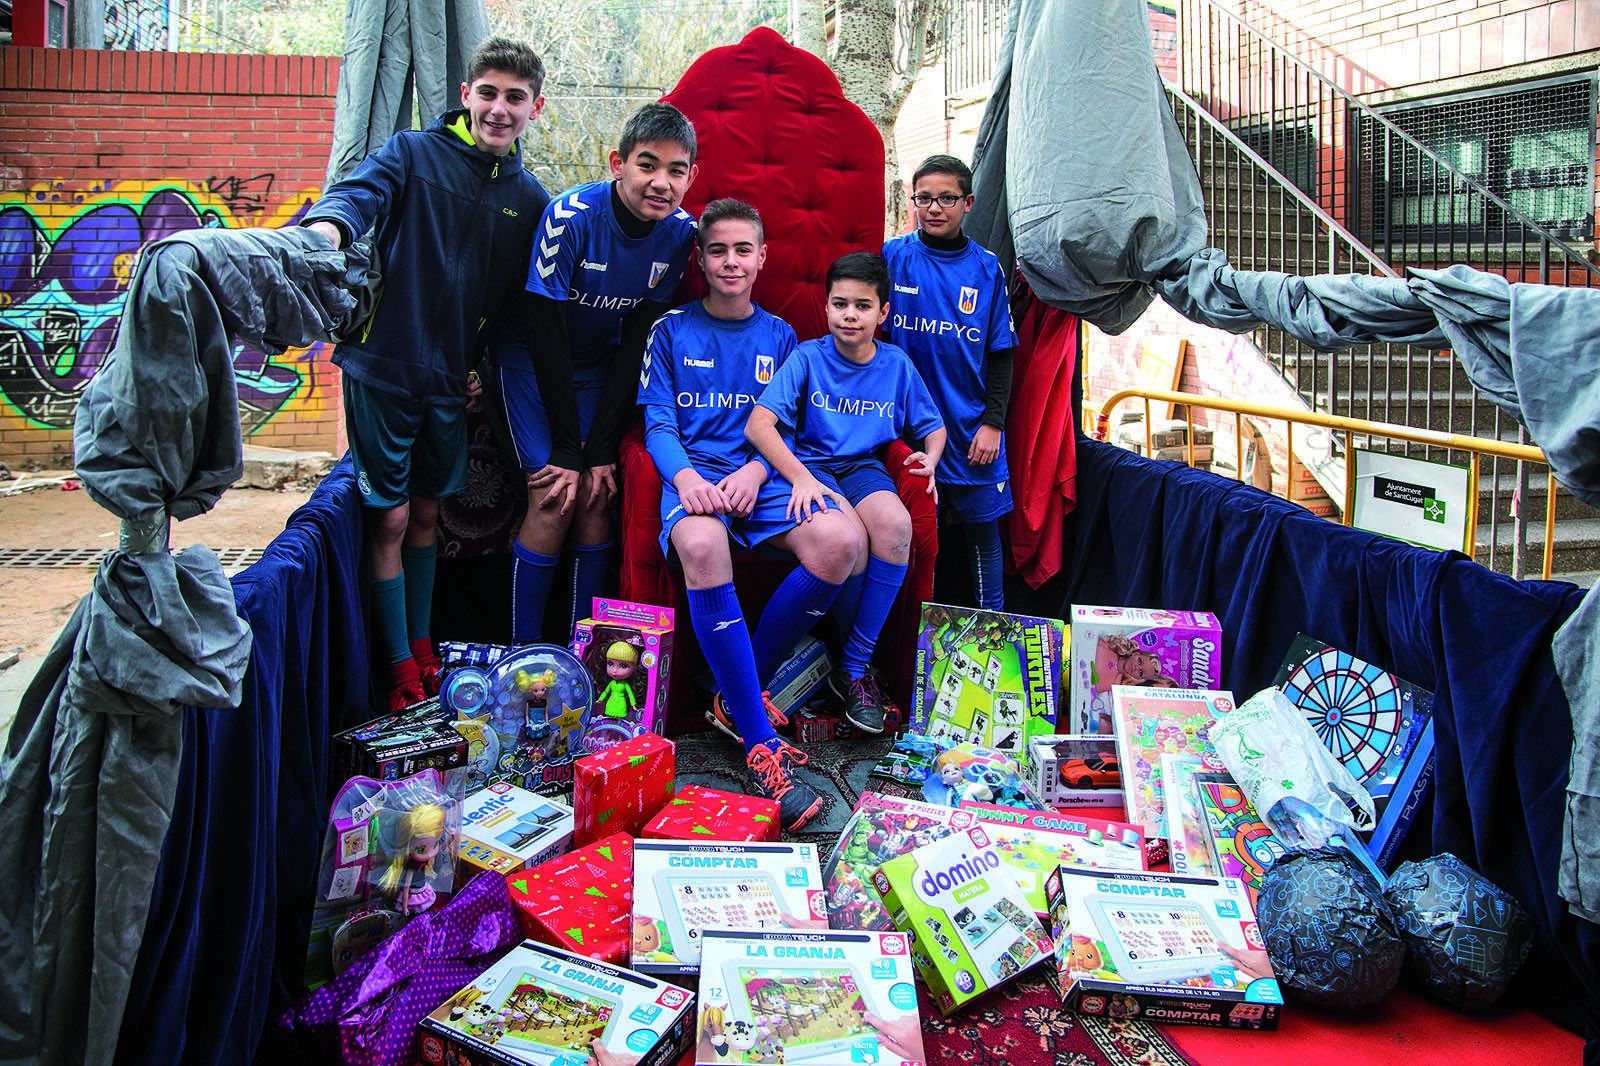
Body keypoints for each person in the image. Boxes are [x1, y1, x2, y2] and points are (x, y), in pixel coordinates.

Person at [303, 37, 550, 711]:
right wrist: (325, 230)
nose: (500, 109)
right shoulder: (411, 154)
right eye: (489, 93)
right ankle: (394, 666)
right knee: (387, 520)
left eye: (516, 98)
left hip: (448, 382)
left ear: (534, 108)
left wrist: (479, 365)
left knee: (428, 517)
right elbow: (357, 197)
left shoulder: (530, 200)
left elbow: (509, 306)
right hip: (382, 366)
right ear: (466, 95)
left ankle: (420, 645)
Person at [638, 199, 861, 832]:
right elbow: (656, 426)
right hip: (694, 475)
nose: (730, 262)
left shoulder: (782, 335)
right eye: (718, 250)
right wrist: (687, 480)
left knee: (840, 539)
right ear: (699, 259)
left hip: (757, 477)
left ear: (762, 258)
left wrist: (757, 471)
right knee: (704, 547)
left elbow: (783, 426)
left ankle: (738, 698)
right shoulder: (671, 329)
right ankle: (761, 743)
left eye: (744, 250)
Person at [495, 102, 699, 645]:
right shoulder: (571, 217)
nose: (661, 182)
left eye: (676, 170)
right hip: (532, 362)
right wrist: (568, 446)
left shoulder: (680, 234)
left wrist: (601, 446)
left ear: (691, 177)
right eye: (647, 165)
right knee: (554, 495)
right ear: (618, 163)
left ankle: (583, 658)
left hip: (599, 367)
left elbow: (637, 339)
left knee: (594, 496)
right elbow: (542, 330)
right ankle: (523, 657)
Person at [747, 251, 947, 733]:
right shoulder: (808, 356)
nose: (849, 315)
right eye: (840, 304)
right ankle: (849, 666)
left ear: (883, 313)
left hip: (862, 468)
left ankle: (852, 666)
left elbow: (933, 425)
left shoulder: (896, 364)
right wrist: (799, 477)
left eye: (862, 306)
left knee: (897, 527)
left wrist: (932, 460)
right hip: (812, 466)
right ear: (827, 307)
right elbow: (759, 425)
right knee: (851, 540)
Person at [881, 154, 1019, 611]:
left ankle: (991, 636)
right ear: (913, 201)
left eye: (947, 198)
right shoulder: (893, 257)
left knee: (983, 538)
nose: (935, 207)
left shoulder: (986, 268)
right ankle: (916, 655)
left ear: (968, 203)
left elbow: (1001, 353)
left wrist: (994, 423)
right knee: (920, 545)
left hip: (972, 433)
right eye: (925, 198)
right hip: (909, 437)